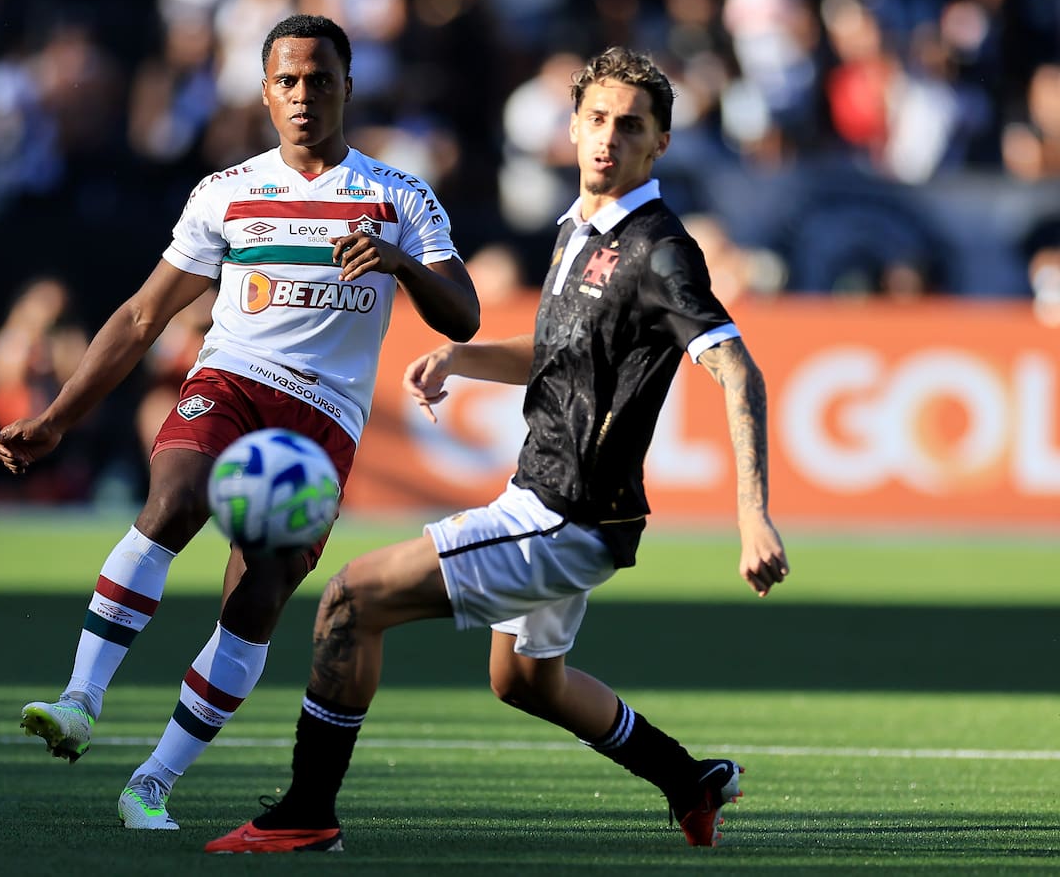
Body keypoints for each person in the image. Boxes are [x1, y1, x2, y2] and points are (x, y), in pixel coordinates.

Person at [203, 45, 790, 856]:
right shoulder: (580, 227)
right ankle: (687, 780)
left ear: (659, 144)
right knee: (522, 680)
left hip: (563, 514)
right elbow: (560, 348)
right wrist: (463, 358)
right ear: (572, 125)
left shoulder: (658, 250)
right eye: (595, 119)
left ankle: (307, 812)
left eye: (631, 126)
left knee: (349, 601)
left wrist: (752, 516)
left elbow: (737, 369)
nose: (608, 138)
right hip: (558, 506)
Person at [0, 13, 479, 830]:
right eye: (287, 80)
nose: (303, 95)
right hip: (234, 381)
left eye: (320, 79)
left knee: (256, 602)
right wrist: (58, 417)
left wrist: (397, 262)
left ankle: (153, 782)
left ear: (347, 88)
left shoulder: (400, 197)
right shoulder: (227, 192)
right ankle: (81, 699)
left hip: (322, 422)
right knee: (175, 499)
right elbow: (144, 316)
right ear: (263, 91)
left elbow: (461, 314)